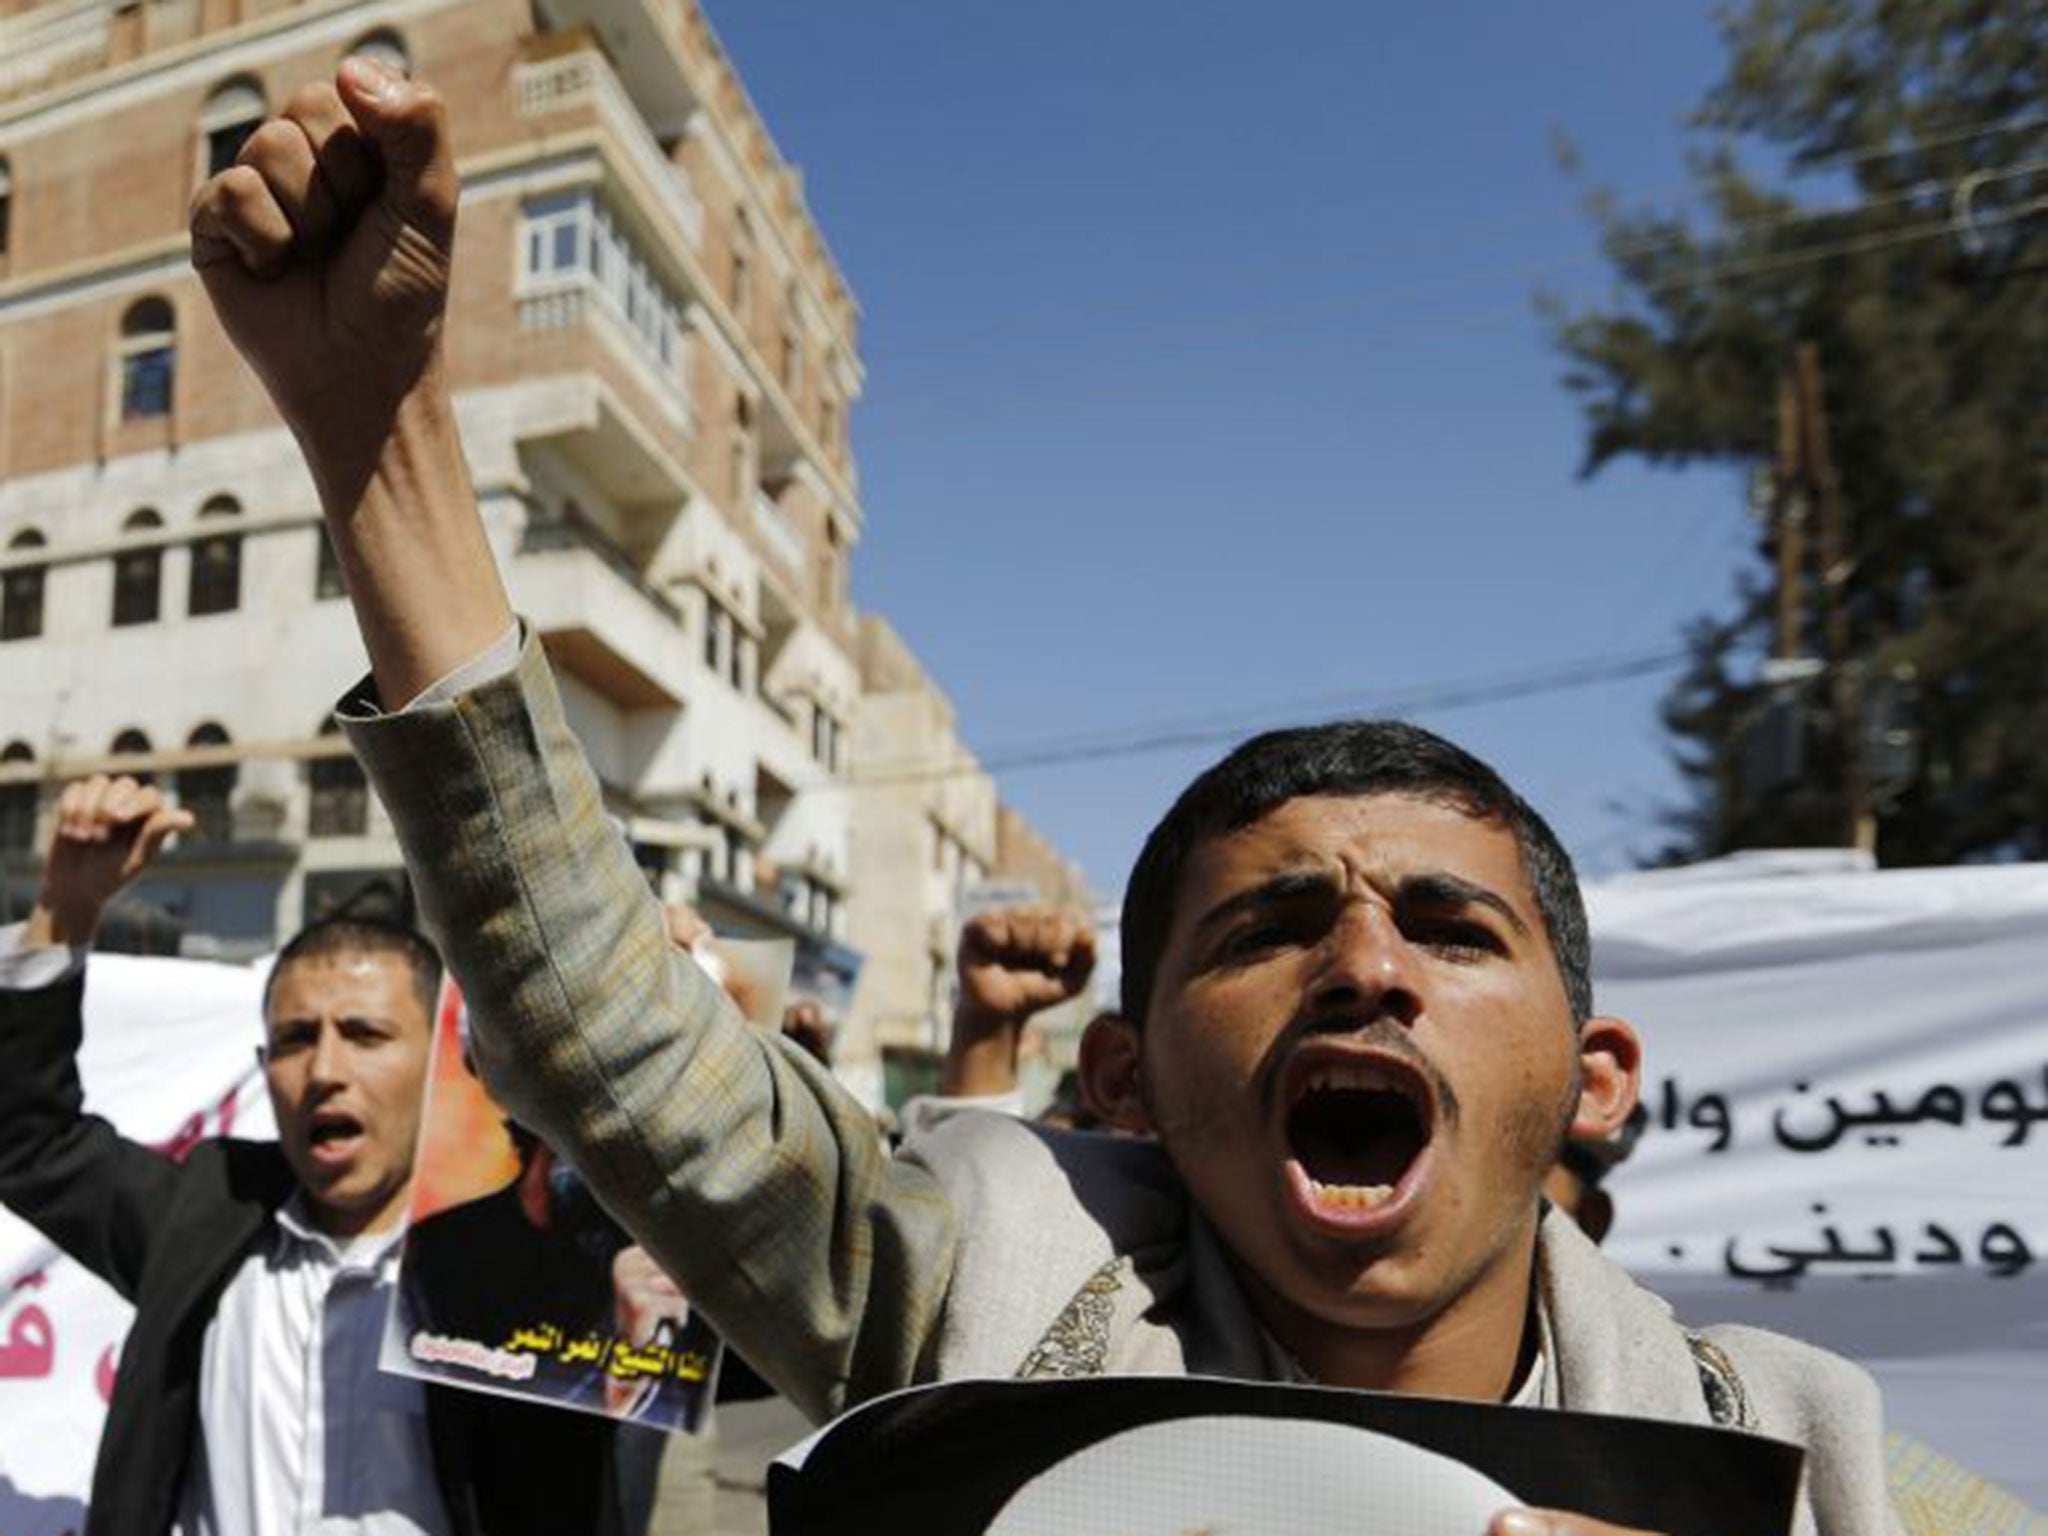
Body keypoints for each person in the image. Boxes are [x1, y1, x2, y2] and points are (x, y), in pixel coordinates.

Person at [190, 62, 1902, 1536]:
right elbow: (616, 1035)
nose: (1364, 966)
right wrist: (377, 430)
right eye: (1269, 927)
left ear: (1593, 1077)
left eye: (1449, 926)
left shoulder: (1790, 1462)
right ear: (1136, 1074)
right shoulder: (987, 1299)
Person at [0, 776, 637, 1536]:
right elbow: (28, 1138)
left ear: (438, 1062)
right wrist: (64, 911)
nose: (326, 1071)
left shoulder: (534, 1264)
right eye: (297, 1040)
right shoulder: (201, 1222)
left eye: (365, 1036)